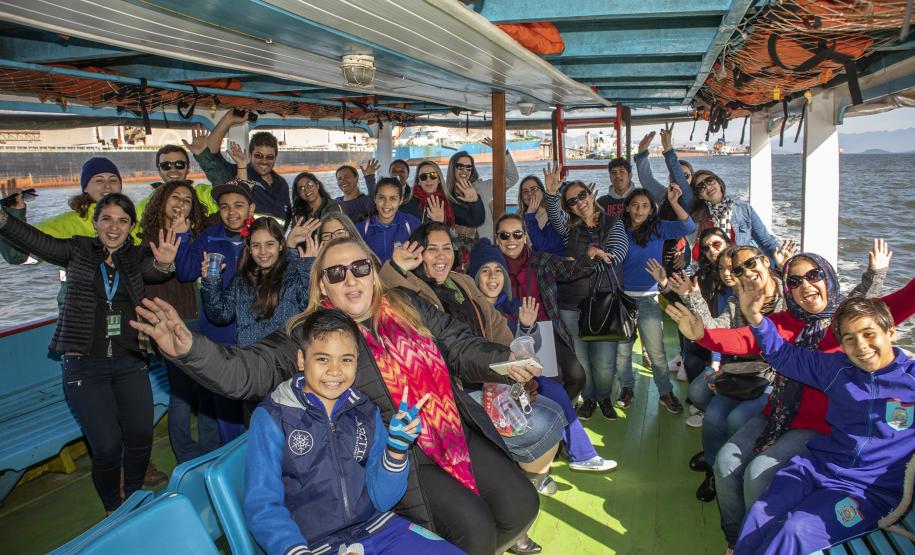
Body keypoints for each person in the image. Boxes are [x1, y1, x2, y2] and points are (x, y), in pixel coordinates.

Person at [131, 237, 542, 555]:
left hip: (451, 430)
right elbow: (248, 371)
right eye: (337, 273)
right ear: (322, 284)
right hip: (395, 455)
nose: (351, 279)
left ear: (373, 272)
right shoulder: (315, 334)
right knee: (474, 530)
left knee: (522, 504)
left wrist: (505, 361)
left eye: (360, 267)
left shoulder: (407, 303)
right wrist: (190, 349)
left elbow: (459, 344)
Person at [665, 245, 901, 553]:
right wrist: (701, 335)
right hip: (777, 413)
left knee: (756, 474)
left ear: (828, 276)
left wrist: (877, 273)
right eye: (795, 281)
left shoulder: (848, 323)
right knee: (725, 462)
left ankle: (762, 545)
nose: (805, 286)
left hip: (820, 427)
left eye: (813, 276)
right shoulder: (784, 322)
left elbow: (901, 301)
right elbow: (744, 338)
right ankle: (736, 542)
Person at [0, 193, 179, 513]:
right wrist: (4, 219)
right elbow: (36, 241)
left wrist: (165, 262)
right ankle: (112, 507)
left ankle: (133, 497)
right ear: (95, 222)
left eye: (123, 221)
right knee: (107, 447)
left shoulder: (136, 255)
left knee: (140, 437)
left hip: (130, 361)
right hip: (84, 365)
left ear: (131, 226)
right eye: (106, 219)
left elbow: (155, 271)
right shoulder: (77, 249)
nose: (114, 227)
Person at [245, 309, 463, 555]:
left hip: (380, 529)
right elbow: (262, 506)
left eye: (346, 360)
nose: (335, 370)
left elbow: (383, 499)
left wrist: (396, 449)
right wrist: (294, 550)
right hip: (314, 547)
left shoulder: (365, 410)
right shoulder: (273, 417)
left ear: (357, 361)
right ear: (301, 360)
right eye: (322, 359)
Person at [732, 292, 914, 555]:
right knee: (760, 513)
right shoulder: (837, 369)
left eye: (869, 333)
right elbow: (784, 356)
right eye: (849, 339)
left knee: (795, 529)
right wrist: (756, 319)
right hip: (815, 469)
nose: (861, 345)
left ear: (891, 331)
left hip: (868, 492)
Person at [470, 237, 619, 472]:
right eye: (485, 271)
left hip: (517, 375)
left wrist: (526, 327)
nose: (493, 277)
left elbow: (528, 346)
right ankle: (547, 461)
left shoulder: (512, 306)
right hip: (489, 382)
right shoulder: (470, 310)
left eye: (498, 270)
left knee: (558, 389)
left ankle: (580, 454)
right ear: (475, 277)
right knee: (549, 396)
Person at [139, 180, 220, 464]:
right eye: (175, 197)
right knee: (181, 393)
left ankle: (211, 449)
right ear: (162, 202)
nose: (181, 203)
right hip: (171, 324)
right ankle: (186, 454)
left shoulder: (196, 236)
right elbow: (150, 274)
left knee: (209, 388)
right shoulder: (150, 239)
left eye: (187, 199)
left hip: (200, 321)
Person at [174, 179, 258, 444]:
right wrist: (182, 237)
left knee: (263, 403)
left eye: (238, 205)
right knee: (226, 410)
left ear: (251, 208)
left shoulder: (262, 236)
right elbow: (186, 272)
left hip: (258, 334)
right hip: (219, 334)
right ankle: (231, 458)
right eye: (224, 206)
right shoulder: (209, 237)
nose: (231, 212)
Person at [542, 164, 630, 416]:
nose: (579, 202)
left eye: (582, 195)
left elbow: (616, 254)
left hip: (605, 302)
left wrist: (586, 261)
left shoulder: (613, 223)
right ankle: (589, 398)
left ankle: (604, 397)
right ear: (569, 208)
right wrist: (551, 194)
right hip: (572, 304)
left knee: (604, 361)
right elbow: (555, 218)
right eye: (572, 201)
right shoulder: (569, 230)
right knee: (580, 359)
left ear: (591, 195)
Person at [490, 213, 601, 404]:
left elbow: (569, 269)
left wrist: (589, 257)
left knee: (576, 376)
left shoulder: (541, 260)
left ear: (525, 236)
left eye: (517, 234)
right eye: (504, 235)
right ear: (497, 239)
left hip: (544, 328)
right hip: (508, 331)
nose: (511, 240)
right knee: (536, 384)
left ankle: (558, 413)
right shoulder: (491, 266)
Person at [616, 185, 696, 415]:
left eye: (644, 206)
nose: (639, 210)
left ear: (652, 209)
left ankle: (665, 393)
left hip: (649, 299)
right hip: (622, 300)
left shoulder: (659, 228)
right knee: (623, 352)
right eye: (634, 205)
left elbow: (689, 227)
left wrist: (674, 202)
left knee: (657, 352)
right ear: (627, 208)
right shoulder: (619, 229)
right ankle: (627, 389)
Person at [200, 217, 317, 347]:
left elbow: (311, 308)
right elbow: (220, 315)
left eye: (269, 244)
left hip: (284, 356)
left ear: (280, 245)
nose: (263, 251)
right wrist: (211, 279)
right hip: (249, 356)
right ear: (249, 248)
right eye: (256, 245)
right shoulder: (242, 281)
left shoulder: (295, 274)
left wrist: (308, 267)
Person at [192, 109, 291, 219]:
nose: (264, 161)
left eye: (269, 157)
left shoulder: (282, 184)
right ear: (250, 155)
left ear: (275, 157)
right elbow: (212, 154)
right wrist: (228, 119)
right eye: (258, 156)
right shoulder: (236, 173)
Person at [689, 170, 780, 260]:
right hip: (711, 268)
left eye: (709, 180)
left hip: (740, 265)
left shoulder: (744, 210)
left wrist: (781, 258)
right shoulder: (696, 218)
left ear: (719, 183)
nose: (708, 187)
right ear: (699, 196)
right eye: (701, 187)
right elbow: (693, 253)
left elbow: (766, 242)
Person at [445, 138, 519, 241]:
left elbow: (512, 178)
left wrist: (503, 152)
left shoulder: (483, 188)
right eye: (460, 166)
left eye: (468, 167)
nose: (465, 170)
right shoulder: (445, 195)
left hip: (485, 245)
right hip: (457, 248)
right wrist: (455, 231)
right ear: (452, 168)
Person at [134, 140, 218, 218]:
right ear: (159, 170)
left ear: (188, 168)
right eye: (166, 166)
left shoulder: (205, 195)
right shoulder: (143, 207)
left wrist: (203, 156)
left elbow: (223, 184)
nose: (173, 170)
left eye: (179, 164)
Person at [358, 177, 420, 263]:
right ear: (375, 199)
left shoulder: (411, 223)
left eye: (393, 198)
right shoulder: (361, 228)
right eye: (381, 197)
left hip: (403, 271)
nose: (387, 203)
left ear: (401, 200)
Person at [400, 160, 458, 227]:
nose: (428, 179)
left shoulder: (449, 203)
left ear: (439, 179)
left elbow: (450, 231)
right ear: (418, 181)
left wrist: (439, 222)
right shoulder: (407, 203)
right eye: (423, 176)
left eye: (433, 175)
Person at [516, 175, 564, 256]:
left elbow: (543, 247)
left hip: (556, 262)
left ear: (542, 192)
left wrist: (530, 216)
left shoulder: (554, 214)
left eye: (534, 189)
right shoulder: (521, 218)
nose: (530, 194)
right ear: (522, 197)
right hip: (533, 262)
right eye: (525, 191)